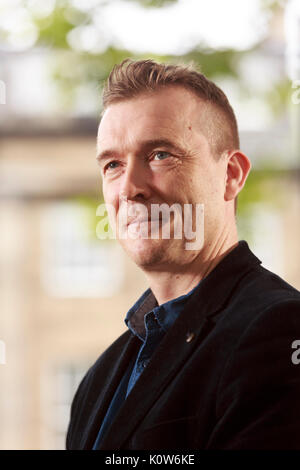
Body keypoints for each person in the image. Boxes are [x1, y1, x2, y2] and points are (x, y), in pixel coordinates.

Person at [66, 59, 300, 450]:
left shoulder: (281, 330)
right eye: (113, 164)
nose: (129, 188)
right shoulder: (97, 381)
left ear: (231, 175)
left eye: (160, 155)